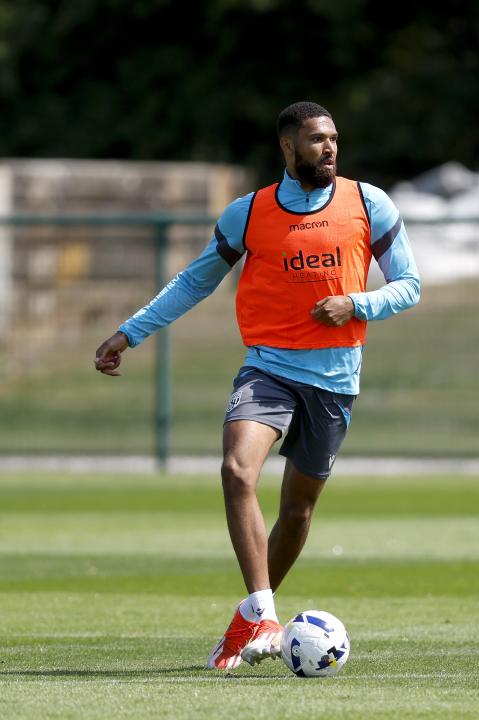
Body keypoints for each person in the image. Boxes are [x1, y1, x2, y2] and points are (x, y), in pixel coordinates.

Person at [94, 101, 420, 670]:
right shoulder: (248, 213)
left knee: (296, 512)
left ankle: (247, 621)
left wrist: (357, 303)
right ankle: (264, 609)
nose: (330, 148)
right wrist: (129, 333)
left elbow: (410, 285)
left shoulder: (370, 202)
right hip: (268, 368)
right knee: (236, 470)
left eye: (334, 138)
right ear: (288, 147)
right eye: (317, 139)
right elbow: (192, 283)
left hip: (337, 378)